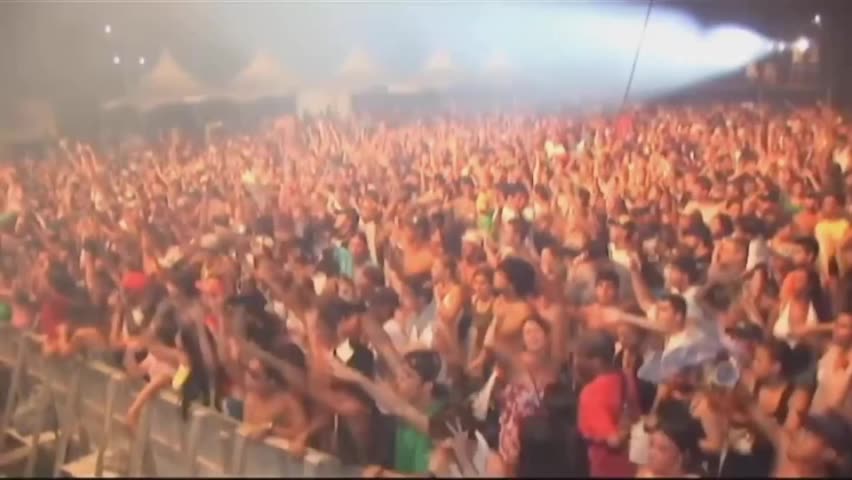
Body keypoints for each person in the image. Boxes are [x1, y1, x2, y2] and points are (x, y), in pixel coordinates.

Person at [575, 329, 636, 477]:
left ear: (596, 361)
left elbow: (613, 440)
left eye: (580, 357)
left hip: (605, 470)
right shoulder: (626, 377)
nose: (576, 362)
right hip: (631, 467)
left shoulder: (591, 393)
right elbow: (635, 417)